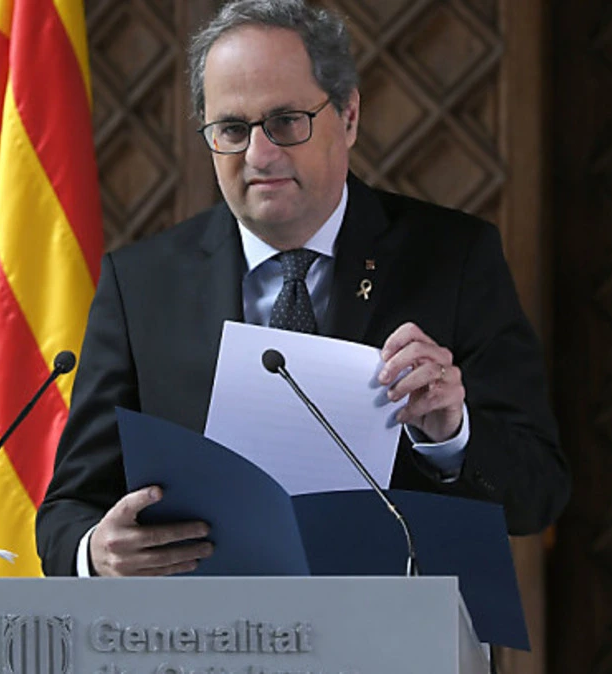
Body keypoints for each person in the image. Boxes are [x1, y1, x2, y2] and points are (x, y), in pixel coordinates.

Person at [35, 0, 570, 578]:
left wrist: (450, 434)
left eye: (287, 122)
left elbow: (538, 494)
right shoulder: (140, 284)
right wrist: (96, 553)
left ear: (349, 116)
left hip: (395, 625)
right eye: (232, 130)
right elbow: (68, 510)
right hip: (205, 630)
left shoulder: (453, 257)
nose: (259, 155)